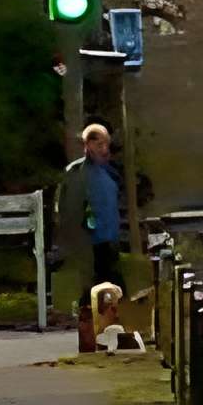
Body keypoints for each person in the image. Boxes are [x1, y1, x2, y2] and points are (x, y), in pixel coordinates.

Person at [59, 125, 122, 349]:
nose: (104, 149)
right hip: (86, 239)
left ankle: (108, 335)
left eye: (106, 144)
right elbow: (66, 209)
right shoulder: (76, 173)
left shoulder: (112, 171)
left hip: (108, 236)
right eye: (99, 144)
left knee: (111, 286)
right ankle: (88, 339)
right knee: (88, 289)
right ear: (87, 145)